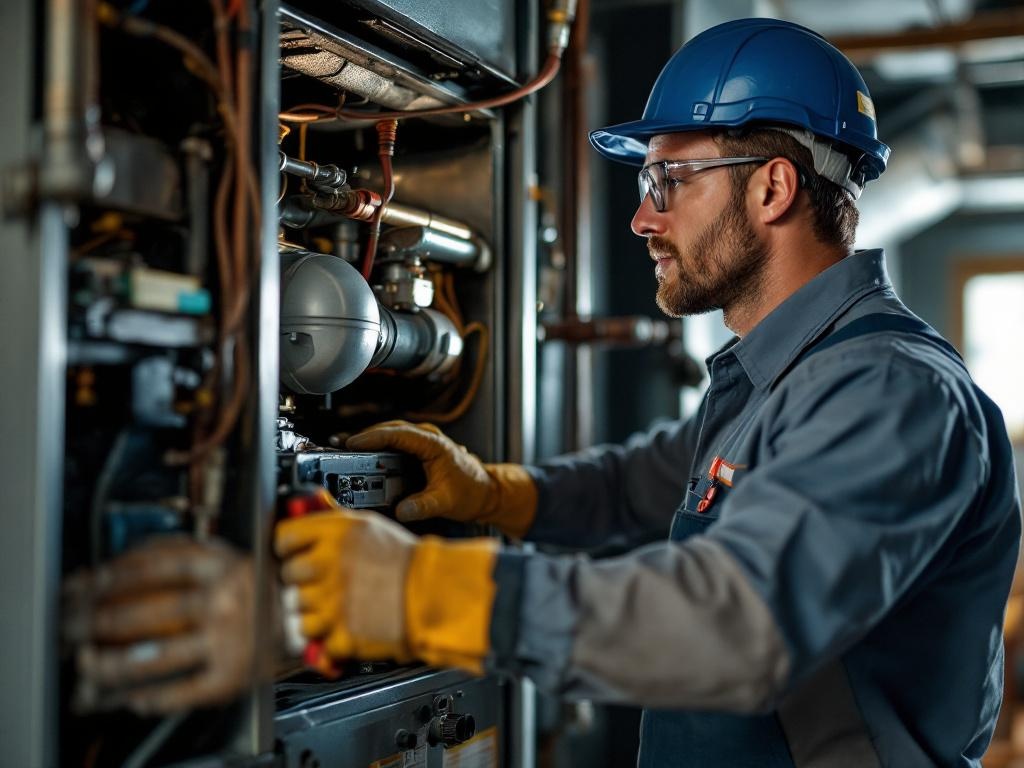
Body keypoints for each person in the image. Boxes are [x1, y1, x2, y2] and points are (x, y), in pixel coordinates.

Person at [67, 17, 1020, 767]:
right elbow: (645, 484)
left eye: (668, 179)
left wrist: (405, 589)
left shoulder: (889, 392)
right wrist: (496, 492)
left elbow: (733, 626)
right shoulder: (784, 376)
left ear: (773, 189)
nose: (642, 217)